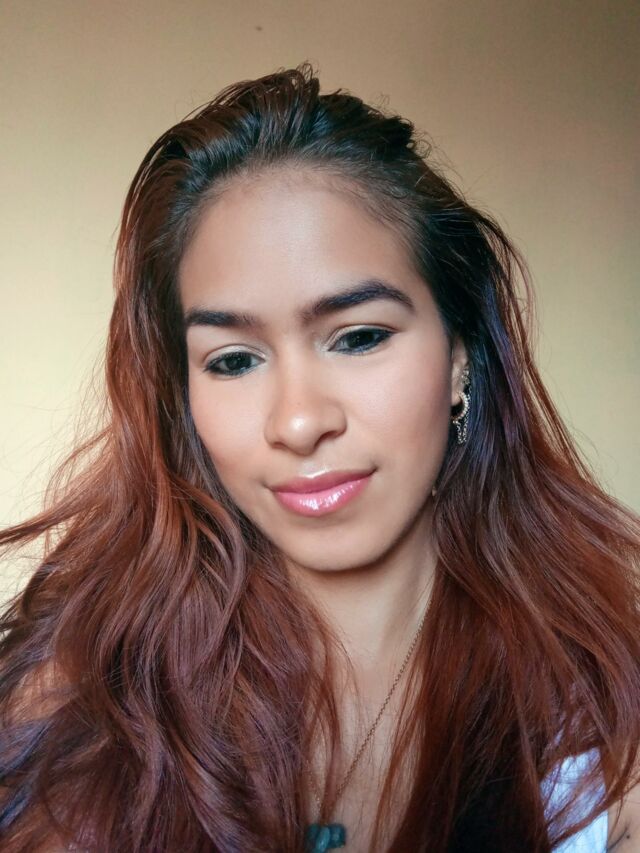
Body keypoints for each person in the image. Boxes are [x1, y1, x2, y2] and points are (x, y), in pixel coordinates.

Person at [0, 61, 639, 853]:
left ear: (460, 356)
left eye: (359, 337)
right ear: (182, 395)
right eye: (234, 359)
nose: (299, 422)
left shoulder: (603, 722)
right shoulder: (82, 695)